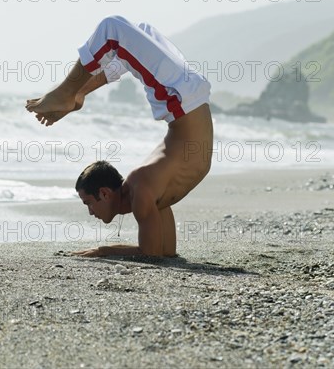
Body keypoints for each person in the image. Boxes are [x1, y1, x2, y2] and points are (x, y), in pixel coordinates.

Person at [26, 15, 213, 257]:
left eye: (88, 203)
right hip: (185, 98)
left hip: (180, 99)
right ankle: (78, 93)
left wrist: (101, 251)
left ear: (104, 193)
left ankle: (67, 92)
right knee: (134, 38)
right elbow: (166, 252)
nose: (90, 212)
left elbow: (151, 254)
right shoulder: (150, 193)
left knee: (112, 30)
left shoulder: (142, 186)